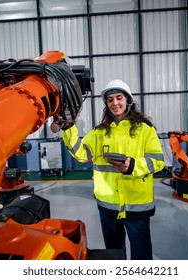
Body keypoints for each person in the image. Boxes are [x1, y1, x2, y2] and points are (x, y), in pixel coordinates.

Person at [61, 79, 165, 260]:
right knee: (114, 253)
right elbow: (81, 153)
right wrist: (69, 128)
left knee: (141, 254)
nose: (115, 103)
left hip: (136, 204)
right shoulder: (99, 132)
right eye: (110, 100)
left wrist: (132, 165)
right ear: (106, 104)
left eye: (119, 98)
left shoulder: (145, 130)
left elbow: (157, 161)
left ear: (128, 100)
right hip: (108, 204)